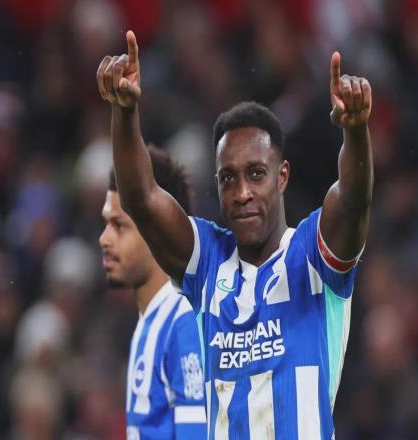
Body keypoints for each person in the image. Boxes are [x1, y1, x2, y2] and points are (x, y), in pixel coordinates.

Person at [97, 30, 373, 439]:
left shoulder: (314, 254)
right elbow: (140, 199)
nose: (242, 192)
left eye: (256, 174)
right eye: (228, 178)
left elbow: (352, 199)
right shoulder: (207, 261)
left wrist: (355, 132)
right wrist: (124, 111)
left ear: (282, 176)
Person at [99, 147, 207, 439]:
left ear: (157, 228)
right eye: (106, 223)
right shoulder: (153, 319)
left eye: (119, 225)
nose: (104, 239)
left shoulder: (184, 322)